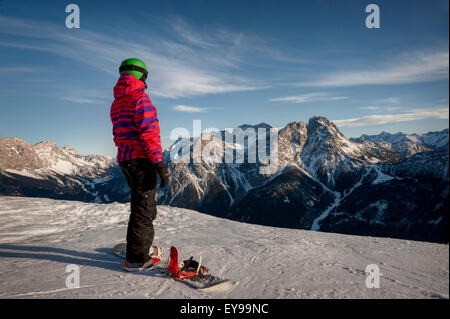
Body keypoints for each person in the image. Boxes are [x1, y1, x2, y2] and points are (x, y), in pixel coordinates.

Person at [110, 58, 169, 271]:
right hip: (141, 161)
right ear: (141, 75)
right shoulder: (140, 99)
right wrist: (159, 164)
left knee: (142, 206)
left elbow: (118, 135)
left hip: (125, 159)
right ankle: (137, 259)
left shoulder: (117, 102)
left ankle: (141, 247)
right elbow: (149, 134)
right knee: (143, 210)